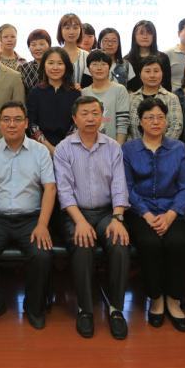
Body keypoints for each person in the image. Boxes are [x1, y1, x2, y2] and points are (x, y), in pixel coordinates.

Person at [0, 101, 57, 330]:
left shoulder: (40, 152)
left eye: (17, 119)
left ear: (26, 123)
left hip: (31, 218)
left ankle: (33, 308)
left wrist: (43, 225)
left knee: (41, 255)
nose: (12, 124)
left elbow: (50, 188)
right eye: (6, 119)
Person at [55, 97, 131, 340]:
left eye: (95, 113)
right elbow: (64, 191)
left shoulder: (113, 147)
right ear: (75, 118)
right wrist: (80, 221)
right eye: (85, 113)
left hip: (107, 212)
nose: (90, 118)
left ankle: (116, 309)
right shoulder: (64, 148)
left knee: (119, 244)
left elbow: (119, 186)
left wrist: (117, 218)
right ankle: (85, 309)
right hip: (75, 212)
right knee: (83, 244)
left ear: (102, 117)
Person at [122, 98, 185, 331]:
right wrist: (146, 214)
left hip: (173, 210)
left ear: (166, 121)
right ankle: (156, 299)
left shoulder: (178, 148)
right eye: (149, 117)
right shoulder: (129, 149)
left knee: (177, 243)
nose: (155, 122)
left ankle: (173, 299)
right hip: (141, 212)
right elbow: (127, 187)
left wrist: (171, 214)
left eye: (160, 117)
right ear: (140, 122)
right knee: (149, 243)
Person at [27, 47, 79, 154]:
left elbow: (76, 123)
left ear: (66, 66)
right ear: (44, 65)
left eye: (60, 63)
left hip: (70, 150)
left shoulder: (75, 93)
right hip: (39, 150)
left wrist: (61, 149)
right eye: (50, 63)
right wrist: (50, 149)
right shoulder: (35, 92)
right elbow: (32, 124)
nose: (55, 67)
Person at [128, 54, 183, 140]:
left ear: (162, 73)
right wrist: (138, 146)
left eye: (156, 71)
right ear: (140, 74)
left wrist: (160, 145)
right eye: (147, 71)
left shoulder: (171, 98)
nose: (152, 75)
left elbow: (176, 126)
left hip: (165, 147)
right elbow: (127, 127)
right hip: (135, 147)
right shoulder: (131, 98)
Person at [84, 50, 131, 143]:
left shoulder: (119, 90)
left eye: (103, 64)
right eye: (94, 64)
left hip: (113, 145)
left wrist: (118, 147)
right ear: (88, 69)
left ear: (109, 67)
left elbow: (123, 122)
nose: (99, 68)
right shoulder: (84, 92)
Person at [126, 20, 172, 92]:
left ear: (154, 36)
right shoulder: (127, 60)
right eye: (141, 33)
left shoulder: (163, 58)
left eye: (149, 33)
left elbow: (167, 85)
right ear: (134, 36)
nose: (145, 37)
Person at [56, 13, 90, 85]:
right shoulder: (55, 55)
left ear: (80, 30)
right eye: (67, 28)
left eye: (75, 28)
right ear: (60, 31)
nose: (71, 32)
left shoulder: (87, 56)